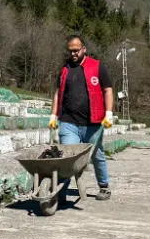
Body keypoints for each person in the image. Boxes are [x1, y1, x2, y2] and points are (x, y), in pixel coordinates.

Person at [49, 34, 115, 200]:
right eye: (71, 50)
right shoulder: (64, 70)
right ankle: (60, 193)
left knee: (97, 155)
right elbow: (58, 93)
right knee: (66, 157)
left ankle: (104, 186)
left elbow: (108, 90)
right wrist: (53, 115)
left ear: (84, 49)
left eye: (76, 50)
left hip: (92, 122)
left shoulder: (98, 67)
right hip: (69, 122)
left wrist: (109, 113)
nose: (73, 54)